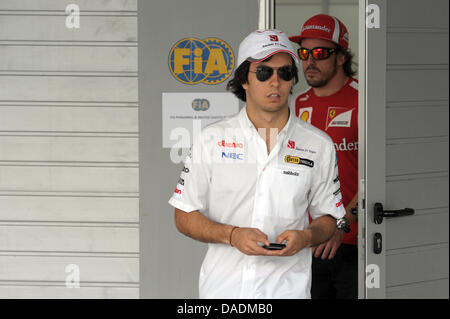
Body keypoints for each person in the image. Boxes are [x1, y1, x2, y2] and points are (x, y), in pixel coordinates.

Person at [168, 29, 348, 299]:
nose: (275, 82)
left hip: (289, 291)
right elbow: (183, 215)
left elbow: (330, 218)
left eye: (285, 73)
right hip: (223, 292)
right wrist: (232, 235)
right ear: (244, 80)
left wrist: (307, 237)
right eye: (264, 72)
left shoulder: (318, 144)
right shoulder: (211, 140)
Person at [289, 14, 359, 299]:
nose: (309, 61)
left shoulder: (363, 99)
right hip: (308, 241)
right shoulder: (296, 104)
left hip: (352, 241)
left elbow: (376, 176)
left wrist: (341, 226)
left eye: (320, 53)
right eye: (304, 53)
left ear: (341, 57)